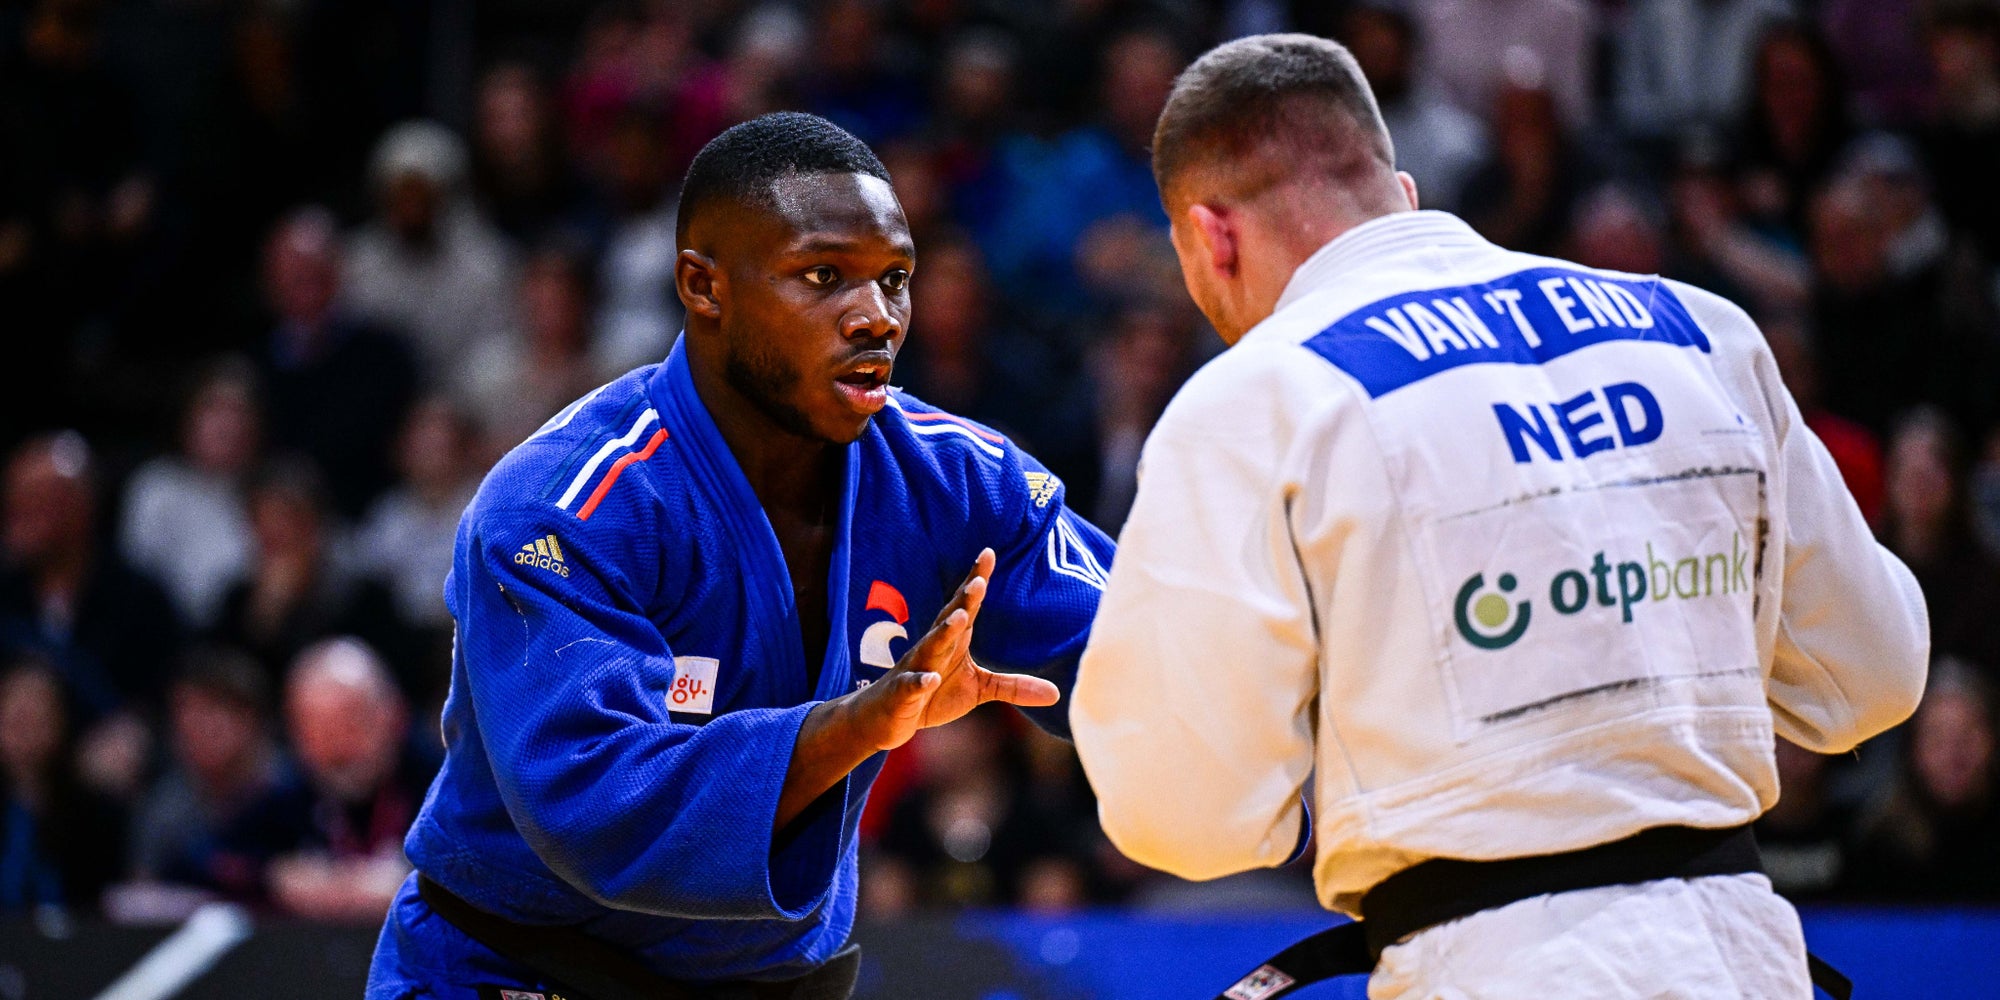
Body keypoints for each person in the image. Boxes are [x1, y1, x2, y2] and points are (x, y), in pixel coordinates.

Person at [1071, 34, 1929, 1000]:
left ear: (1210, 237)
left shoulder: (1255, 401)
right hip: (1743, 955)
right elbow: (1875, 676)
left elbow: (1180, 809)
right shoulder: (1700, 329)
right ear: (1397, 192)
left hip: (1494, 967)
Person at [366, 112, 1113, 1000]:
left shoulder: (958, 481)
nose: (876, 317)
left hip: (770, 985)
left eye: (896, 279)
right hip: (513, 973)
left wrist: (1311, 803)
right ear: (703, 286)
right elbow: (596, 799)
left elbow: (1151, 660)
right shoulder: (564, 507)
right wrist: (859, 726)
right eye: (824, 276)